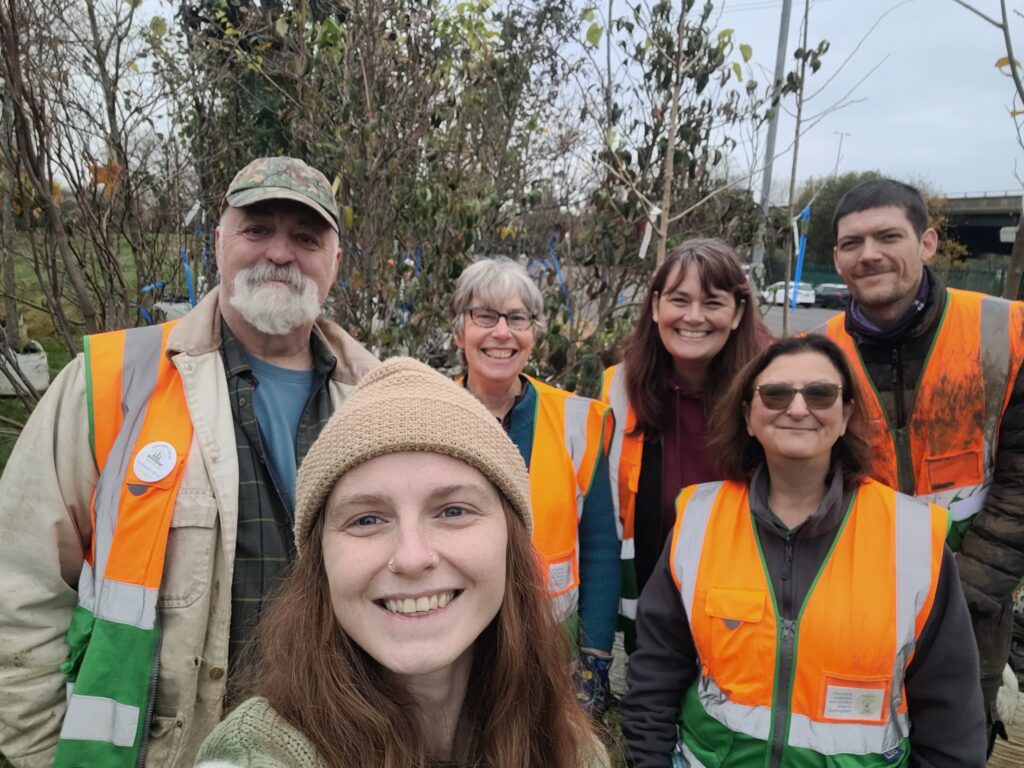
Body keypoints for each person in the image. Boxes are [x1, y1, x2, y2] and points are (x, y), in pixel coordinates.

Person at [0, 156, 378, 766]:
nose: (280, 253)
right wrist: (41, 753)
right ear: (219, 242)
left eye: (305, 237)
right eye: (257, 230)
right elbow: (18, 586)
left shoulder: (381, 401)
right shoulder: (110, 384)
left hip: (335, 745)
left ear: (334, 263)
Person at [193, 357, 610, 767]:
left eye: (452, 511)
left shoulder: (571, 749)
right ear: (319, 562)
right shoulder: (258, 750)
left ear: (510, 541)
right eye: (367, 519)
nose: (411, 558)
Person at [621, 334, 986, 768]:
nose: (797, 409)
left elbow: (951, 712)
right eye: (775, 394)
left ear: (846, 412)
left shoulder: (909, 535)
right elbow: (656, 672)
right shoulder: (700, 518)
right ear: (748, 415)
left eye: (820, 394)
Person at [824, 178, 1024, 747]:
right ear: (837, 257)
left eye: (888, 236)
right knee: (857, 739)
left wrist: (964, 592)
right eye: (851, 243)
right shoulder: (819, 356)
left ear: (928, 242)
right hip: (860, 599)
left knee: (956, 738)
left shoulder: (1003, 332)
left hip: (974, 598)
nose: (869, 254)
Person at [449, 257, 621, 723]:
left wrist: (594, 660)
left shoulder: (577, 422)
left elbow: (602, 547)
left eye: (518, 318)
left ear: (534, 333)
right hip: (451, 653)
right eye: (484, 316)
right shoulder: (430, 413)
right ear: (459, 329)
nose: (501, 332)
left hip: (550, 656)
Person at [601, 238, 769, 642]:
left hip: (744, 611)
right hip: (649, 610)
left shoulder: (771, 390)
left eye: (712, 303)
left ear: (737, 313)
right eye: (680, 300)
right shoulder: (619, 388)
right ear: (656, 306)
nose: (694, 317)